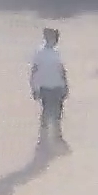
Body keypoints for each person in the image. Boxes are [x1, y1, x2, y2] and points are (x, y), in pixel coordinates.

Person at [30, 26, 70, 155]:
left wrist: (64, 85)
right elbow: (35, 72)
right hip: (47, 87)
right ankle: (46, 136)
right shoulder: (40, 54)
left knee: (57, 111)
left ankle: (55, 136)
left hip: (56, 86)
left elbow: (61, 70)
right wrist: (35, 87)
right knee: (48, 111)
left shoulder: (55, 52)